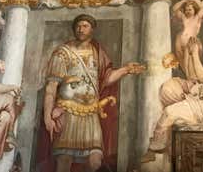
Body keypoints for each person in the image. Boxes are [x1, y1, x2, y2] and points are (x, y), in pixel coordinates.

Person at [41, 14, 144, 172]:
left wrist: (126, 69)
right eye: (78, 26)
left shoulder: (97, 52)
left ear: (92, 29)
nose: (81, 29)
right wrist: (47, 116)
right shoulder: (63, 52)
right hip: (68, 112)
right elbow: (51, 86)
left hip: (90, 113)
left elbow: (106, 79)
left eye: (85, 26)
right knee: (64, 160)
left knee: (95, 161)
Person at [171, 0, 203, 80]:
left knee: (189, 63)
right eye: (186, 10)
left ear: (194, 10)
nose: (188, 11)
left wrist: (192, 0)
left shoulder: (197, 18)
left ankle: (191, 78)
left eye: (190, 9)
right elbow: (174, 9)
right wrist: (184, 1)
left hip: (190, 42)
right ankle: (188, 78)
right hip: (180, 42)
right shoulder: (184, 17)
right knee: (182, 62)